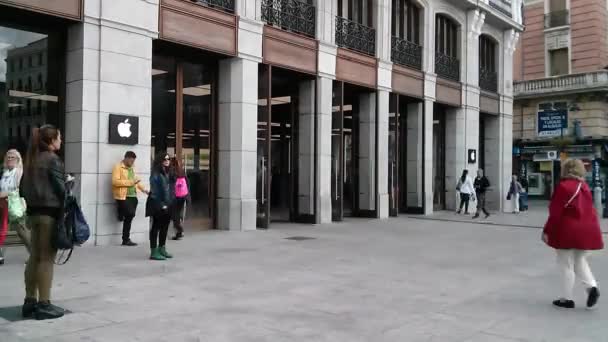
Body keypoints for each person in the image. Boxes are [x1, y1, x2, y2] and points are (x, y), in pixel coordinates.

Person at [543, 159, 603, 309]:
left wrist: (547, 230)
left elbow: (555, 213)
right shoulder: (584, 187)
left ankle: (567, 299)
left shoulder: (563, 187)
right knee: (580, 261)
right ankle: (592, 287)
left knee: (566, 264)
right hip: (586, 231)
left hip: (568, 230)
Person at [20, 125, 66, 320]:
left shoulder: (31, 159)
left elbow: (23, 189)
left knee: (34, 258)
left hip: (33, 214)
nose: (61, 141)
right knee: (46, 259)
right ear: (51, 140)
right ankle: (44, 304)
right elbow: (61, 190)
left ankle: (29, 301)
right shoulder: (52, 160)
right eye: (59, 138)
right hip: (49, 215)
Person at [0, 150, 31, 265]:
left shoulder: (19, 172)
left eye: (12, 157)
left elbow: (19, 189)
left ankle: (35, 255)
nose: (10, 159)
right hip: (3, 204)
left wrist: (6, 193)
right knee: (2, 230)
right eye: (8, 157)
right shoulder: (5, 172)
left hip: (15, 204)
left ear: (18, 160)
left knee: (22, 231)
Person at [112, 151, 148, 246]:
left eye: (133, 161)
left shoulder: (133, 168)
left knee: (130, 217)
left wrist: (145, 190)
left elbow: (137, 182)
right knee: (130, 213)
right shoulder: (118, 167)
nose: (132, 163)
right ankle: (120, 212)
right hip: (123, 196)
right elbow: (115, 182)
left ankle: (125, 239)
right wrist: (130, 182)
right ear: (126, 158)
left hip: (133, 196)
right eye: (131, 161)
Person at [146, 152, 175, 261]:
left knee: (165, 227)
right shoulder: (156, 174)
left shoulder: (168, 172)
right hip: (158, 204)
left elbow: (171, 189)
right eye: (165, 159)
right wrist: (162, 204)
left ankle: (162, 248)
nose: (167, 161)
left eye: (168, 159)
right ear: (160, 161)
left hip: (168, 204)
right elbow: (155, 191)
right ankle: (154, 251)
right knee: (156, 227)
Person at [170, 157, 189, 240]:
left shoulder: (171, 172)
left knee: (175, 214)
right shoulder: (182, 172)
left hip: (175, 196)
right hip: (183, 196)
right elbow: (187, 184)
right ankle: (179, 230)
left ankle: (179, 230)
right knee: (177, 212)